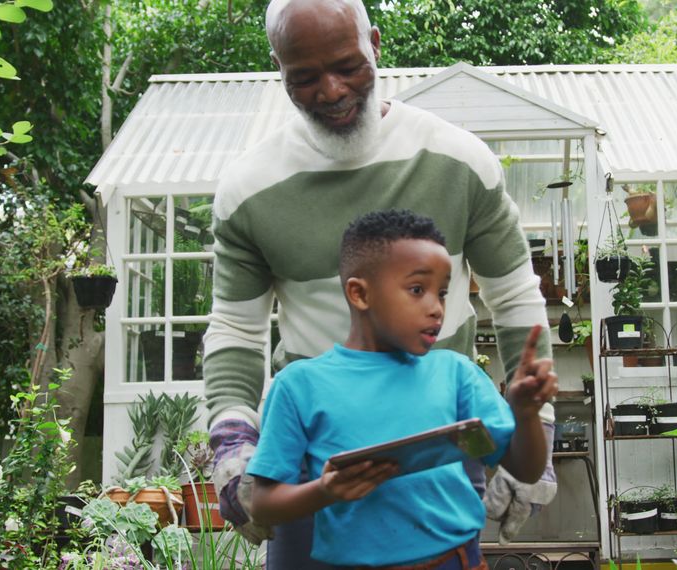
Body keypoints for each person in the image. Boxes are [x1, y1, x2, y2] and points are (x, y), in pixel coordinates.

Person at [204, 0, 557, 564]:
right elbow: (236, 330)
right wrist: (233, 446)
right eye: (304, 76)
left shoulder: (459, 160)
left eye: (348, 65)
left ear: (375, 42)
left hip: (440, 448)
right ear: (279, 68)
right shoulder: (249, 188)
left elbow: (514, 298)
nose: (331, 90)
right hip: (310, 455)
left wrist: (538, 429)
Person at [246, 210, 557, 569]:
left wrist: (526, 413)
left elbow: (526, 468)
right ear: (360, 294)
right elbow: (263, 503)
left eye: (442, 293)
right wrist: (324, 491)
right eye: (417, 290)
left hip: (455, 561)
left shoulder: (457, 375)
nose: (436, 308)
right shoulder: (299, 386)